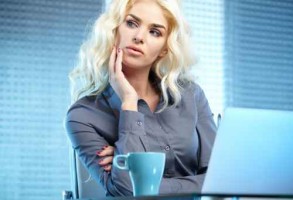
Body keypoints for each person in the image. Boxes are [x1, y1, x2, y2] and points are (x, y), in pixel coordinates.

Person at [65, 0, 216, 197]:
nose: (139, 37)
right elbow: (126, 191)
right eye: (131, 23)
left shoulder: (191, 95)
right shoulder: (83, 116)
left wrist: (147, 182)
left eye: (155, 32)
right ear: (114, 29)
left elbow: (221, 179)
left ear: (164, 48)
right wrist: (129, 102)